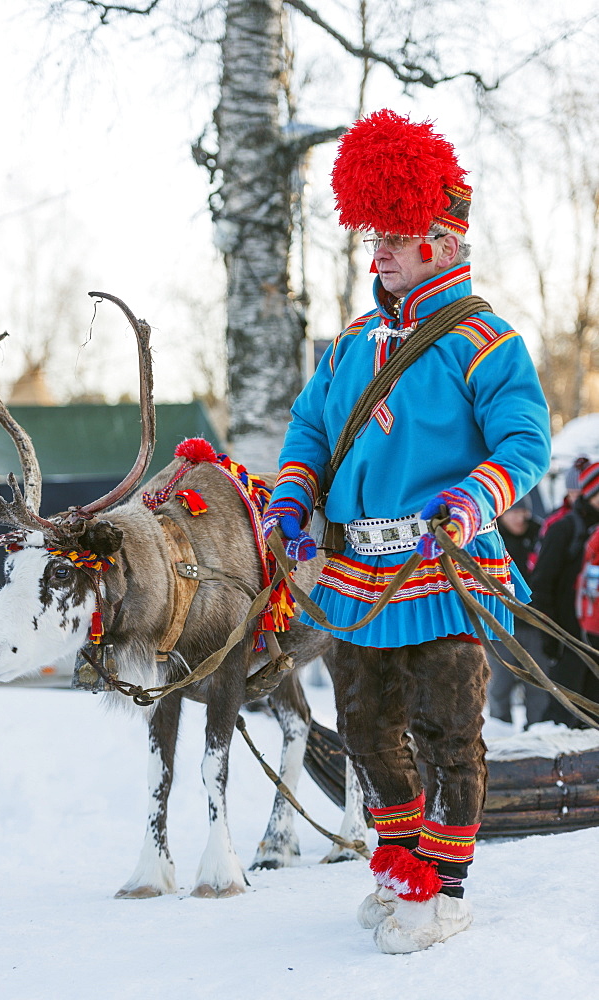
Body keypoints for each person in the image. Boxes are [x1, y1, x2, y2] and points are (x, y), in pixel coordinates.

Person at [262, 110, 551, 953]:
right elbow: (309, 434)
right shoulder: (351, 343)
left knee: (447, 730)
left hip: (447, 568)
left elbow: (526, 440)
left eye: (393, 235)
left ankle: (446, 888)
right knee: (362, 726)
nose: (376, 251)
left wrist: (472, 500)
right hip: (358, 575)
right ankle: (399, 866)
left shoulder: (486, 341)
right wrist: (291, 499)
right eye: (373, 235)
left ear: (443, 240)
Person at [531, 461, 599, 727]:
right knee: (563, 712)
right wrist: (550, 632)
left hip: (595, 637)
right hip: (568, 638)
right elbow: (542, 583)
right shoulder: (565, 528)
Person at [486, 496, 550, 727]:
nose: (520, 518)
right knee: (499, 683)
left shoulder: (539, 535)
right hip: (501, 625)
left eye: (524, 512)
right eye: (513, 512)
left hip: (534, 623)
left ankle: (538, 729)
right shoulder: (490, 538)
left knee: (538, 684)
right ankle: (500, 729)